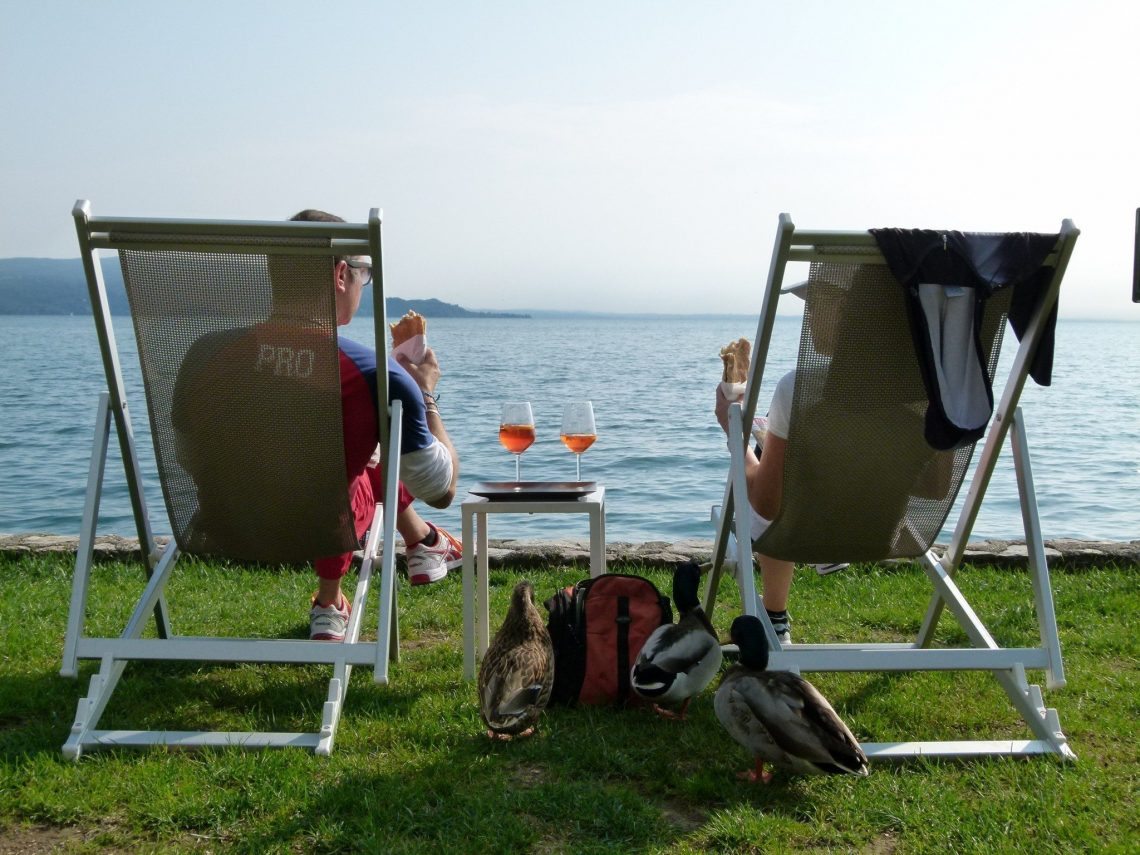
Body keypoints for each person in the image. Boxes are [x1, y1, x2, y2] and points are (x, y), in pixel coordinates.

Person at [172, 208, 462, 643]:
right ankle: (395, 560)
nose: (363, 286)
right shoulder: (374, 373)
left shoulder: (205, 354)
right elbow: (441, 490)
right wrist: (424, 392)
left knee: (350, 460)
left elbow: (189, 457)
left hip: (226, 525)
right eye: (364, 275)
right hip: (324, 528)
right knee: (361, 465)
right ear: (341, 274)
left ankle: (405, 553)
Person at [713, 279, 847, 644]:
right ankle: (780, 608)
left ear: (844, 311)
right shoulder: (915, 386)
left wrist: (733, 429)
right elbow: (935, 488)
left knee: (759, 481)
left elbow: (766, 502)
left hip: (809, 525)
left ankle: (775, 616)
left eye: (816, 306)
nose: (809, 317)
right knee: (781, 451)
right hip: (881, 526)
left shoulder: (799, 388)